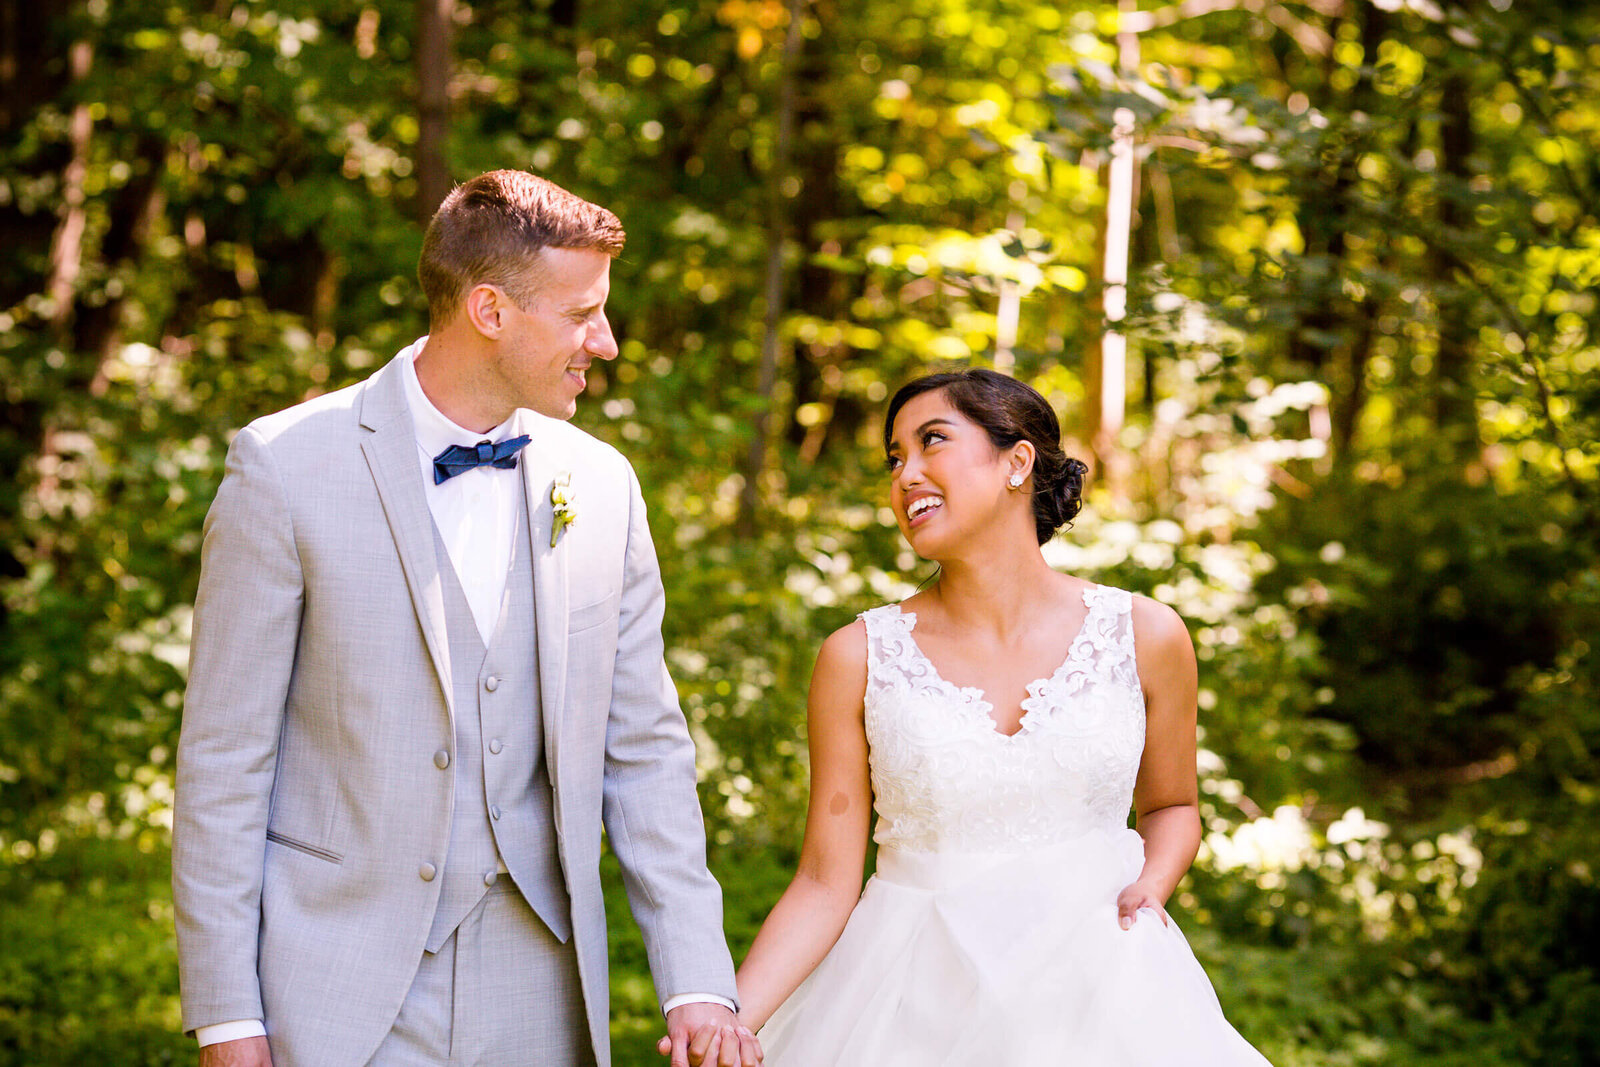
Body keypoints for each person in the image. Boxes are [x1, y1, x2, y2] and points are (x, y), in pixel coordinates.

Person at [172, 170, 761, 1067]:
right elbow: (224, 761)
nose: (603, 341)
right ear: (489, 309)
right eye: (580, 313)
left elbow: (644, 749)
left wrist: (695, 981)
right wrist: (226, 1018)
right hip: (332, 991)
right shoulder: (284, 468)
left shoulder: (601, 483)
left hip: (542, 996)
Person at [730, 369, 1274, 1064]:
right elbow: (822, 881)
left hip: (1102, 993)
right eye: (895, 458)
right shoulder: (858, 657)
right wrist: (730, 1019)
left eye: (933, 442)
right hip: (912, 1003)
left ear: (1017, 462)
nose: (906, 475)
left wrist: (1150, 885)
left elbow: (1172, 803)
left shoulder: (1146, 635)